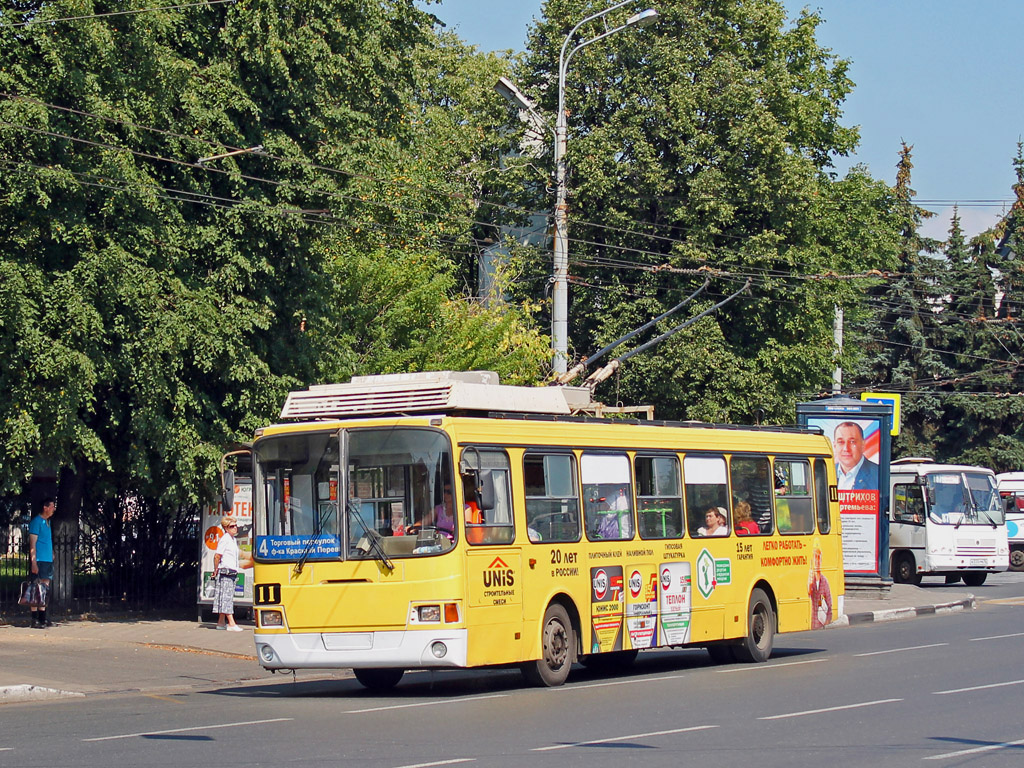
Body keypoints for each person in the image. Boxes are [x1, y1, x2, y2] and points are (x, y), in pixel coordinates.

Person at [213, 515, 253, 631]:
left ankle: (221, 622)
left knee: (226, 596)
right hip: (225, 571)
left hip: (231, 571)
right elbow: (217, 556)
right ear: (226, 528)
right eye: (232, 526)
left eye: (235, 525)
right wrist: (216, 570)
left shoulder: (233, 539)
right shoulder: (225, 539)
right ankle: (231, 623)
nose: (235, 528)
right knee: (226, 597)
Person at [27, 498, 56, 629]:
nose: (53, 509)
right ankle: (34, 619)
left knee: (45, 589)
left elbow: (46, 541)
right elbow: (32, 544)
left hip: (47, 560)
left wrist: (52, 552)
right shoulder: (36, 522)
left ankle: (43, 618)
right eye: (52, 506)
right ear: (45, 507)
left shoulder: (47, 522)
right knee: (35, 589)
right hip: (39, 560)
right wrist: (34, 562)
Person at [833, 421, 880, 490]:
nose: (846, 448)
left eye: (852, 442)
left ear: (863, 445)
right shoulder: (825, 473)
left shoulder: (878, 475)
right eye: (841, 442)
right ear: (834, 445)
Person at [807, 545, 833, 629]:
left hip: (820, 626)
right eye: (815, 558)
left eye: (819, 558)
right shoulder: (809, 579)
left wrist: (826, 623)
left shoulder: (824, 581)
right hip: (810, 624)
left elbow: (830, 607)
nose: (817, 561)